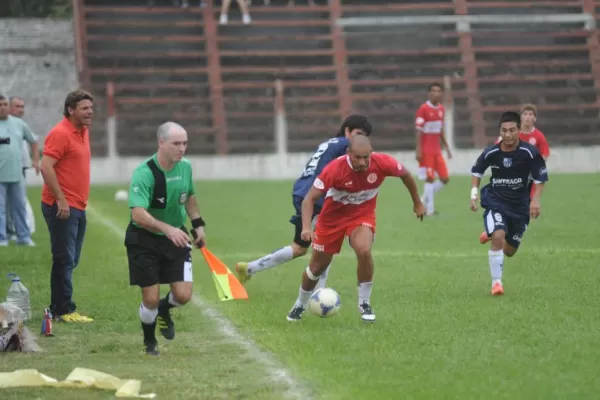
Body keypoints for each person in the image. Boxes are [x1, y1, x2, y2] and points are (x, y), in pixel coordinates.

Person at [286, 135, 425, 322]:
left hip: (361, 216)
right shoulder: (335, 169)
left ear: (371, 153)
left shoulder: (382, 162)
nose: (362, 162)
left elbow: (406, 175)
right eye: (357, 157)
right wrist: (305, 228)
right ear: (348, 153)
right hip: (331, 220)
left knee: (364, 250)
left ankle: (364, 304)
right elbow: (309, 199)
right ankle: (300, 305)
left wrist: (417, 203)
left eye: (366, 157)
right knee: (316, 268)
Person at [235, 115, 372, 287]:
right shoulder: (346, 146)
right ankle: (319, 294)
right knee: (326, 246)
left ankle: (248, 268)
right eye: (358, 133)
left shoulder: (330, 143)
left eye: (364, 136)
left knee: (299, 247)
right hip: (315, 196)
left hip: (302, 191)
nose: (360, 139)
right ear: (347, 130)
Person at [125, 121, 206, 356]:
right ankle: (149, 342)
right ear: (161, 143)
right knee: (149, 299)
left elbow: (189, 195)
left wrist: (198, 224)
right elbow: (137, 214)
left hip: (176, 237)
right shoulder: (145, 172)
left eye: (185, 143)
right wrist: (167, 229)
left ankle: (164, 309)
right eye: (176, 144)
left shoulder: (186, 167)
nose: (182, 148)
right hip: (144, 240)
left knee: (183, 296)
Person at [470, 111, 548, 296]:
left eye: (512, 130)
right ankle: (496, 283)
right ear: (500, 131)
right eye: (504, 130)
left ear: (519, 130)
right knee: (499, 236)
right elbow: (477, 172)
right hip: (495, 201)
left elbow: (540, 177)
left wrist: (535, 200)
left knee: (510, 251)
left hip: (520, 207)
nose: (508, 134)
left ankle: (491, 234)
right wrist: (473, 194)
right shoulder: (492, 152)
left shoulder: (529, 153)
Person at [40, 90, 94, 323]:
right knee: (64, 258)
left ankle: (57, 306)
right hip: (62, 206)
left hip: (77, 205)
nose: (90, 112)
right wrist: (61, 199)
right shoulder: (60, 133)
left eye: (91, 108)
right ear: (70, 109)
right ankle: (63, 310)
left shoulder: (83, 132)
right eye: (84, 108)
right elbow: (45, 166)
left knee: (71, 259)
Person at [482, 103, 550, 243]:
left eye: (530, 114)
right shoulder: (509, 135)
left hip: (528, 180)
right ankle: (495, 230)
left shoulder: (538, 136)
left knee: (523, 209)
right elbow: (497, 151)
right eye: (525, 114)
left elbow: (545, 155)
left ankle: (499, 232)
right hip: (508, 179)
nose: (527, 117)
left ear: (535, 118)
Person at [0, 94, 38, 247]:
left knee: (20, 207)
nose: (2, 107)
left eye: (4, 104)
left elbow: (33, 141)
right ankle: (2, 238)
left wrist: (36, 160)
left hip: (17, 174)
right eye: (0, 105)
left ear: (9, 107)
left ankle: (24, 237)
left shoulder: (19, 124)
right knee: (0, 209)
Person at [415, 82, 452, 216]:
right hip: (426, 150)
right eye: (433, 90)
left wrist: (447, 147)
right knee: (429, 178)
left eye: (438, 91)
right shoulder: (423, 109)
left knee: (445, 178)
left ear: (441, 93)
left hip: (437, 150)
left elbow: (440, 130)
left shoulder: (441, 109)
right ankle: (430, 210)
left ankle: (423, 199)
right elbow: (419, 131)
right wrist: (418, 149)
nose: (436, 93)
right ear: (429, 93)